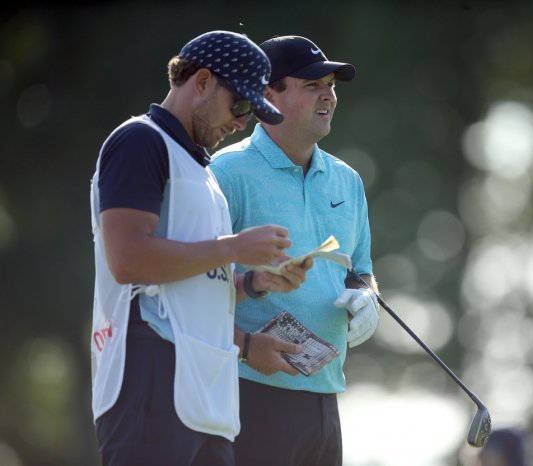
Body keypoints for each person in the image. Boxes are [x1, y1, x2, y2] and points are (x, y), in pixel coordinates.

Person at [89, 30, 312, 466]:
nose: (242, 123)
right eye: (241, 104)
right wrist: (233, 247)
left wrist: (253, 282)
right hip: (148, 386)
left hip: (206, 399)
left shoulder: (202, 171)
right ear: (204, 81)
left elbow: (197, 281)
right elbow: (128, 259)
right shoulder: (140, 141)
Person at [210, 35, 379, 466]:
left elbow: (358, 270)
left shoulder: (347, 181)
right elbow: (195, 284)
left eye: (332, 86)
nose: (328, 96)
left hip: (325, 394)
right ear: (269, 95)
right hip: (248, 391)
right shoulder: (226, 173)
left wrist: (368, 297)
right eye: (312, 85)